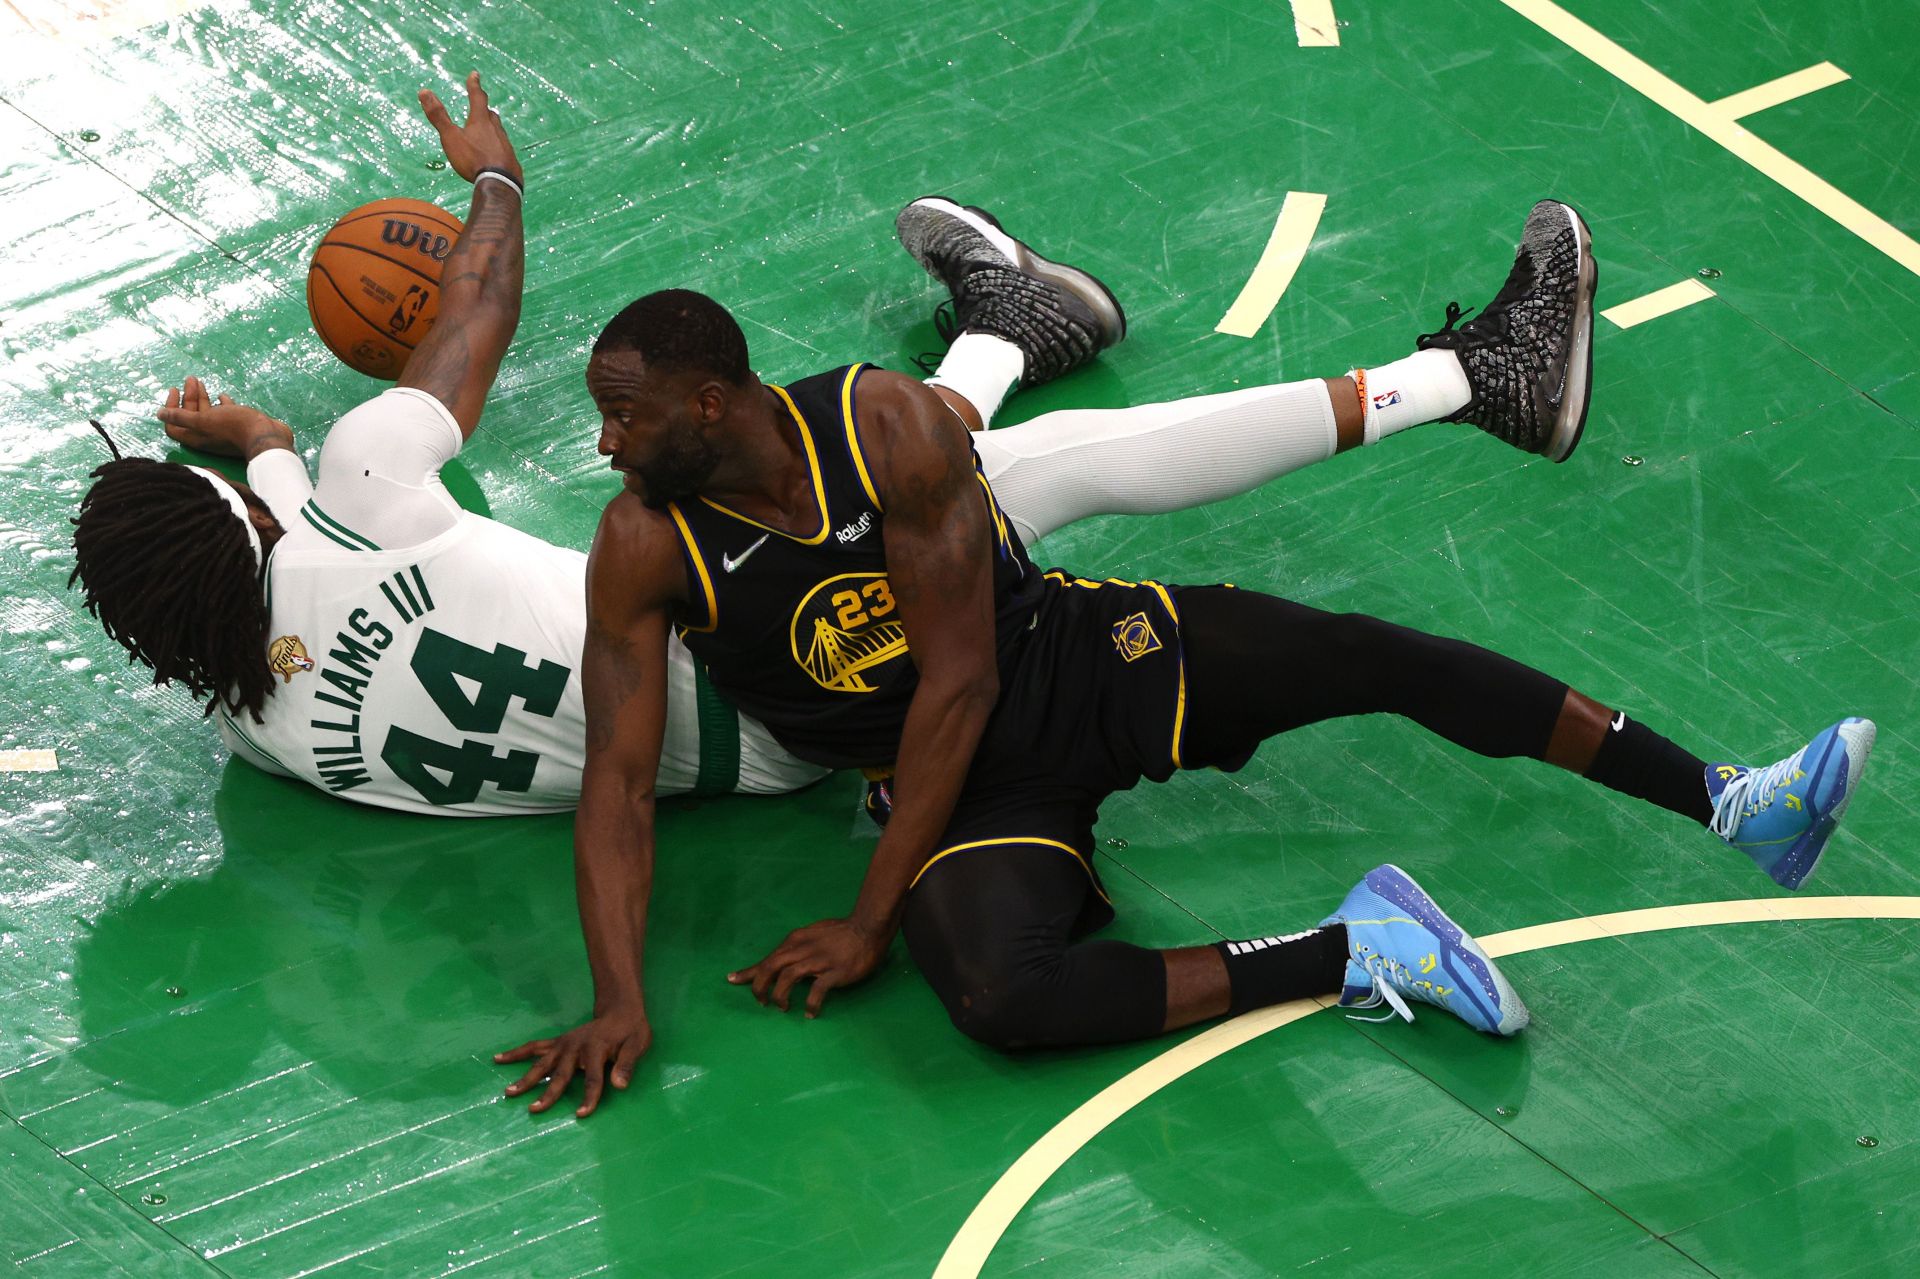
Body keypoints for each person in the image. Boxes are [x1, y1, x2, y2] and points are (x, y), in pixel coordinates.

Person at [498, 195, 1876, 1117]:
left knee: (1378, 656)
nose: (605, 448)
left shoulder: (882, 431)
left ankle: (1736, 802)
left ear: (710, 401)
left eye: (623, 418)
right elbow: (616, 786)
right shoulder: (644, 546)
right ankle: (1356, 946)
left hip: (1075, 662)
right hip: (971, 801)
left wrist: (865, 917)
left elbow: (967, 681)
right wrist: (617, 1000)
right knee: (995, 999)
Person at [71, 97, 1539, 820]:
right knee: (994, 476)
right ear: (251, 517)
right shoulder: (360, 485)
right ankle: (1473, 379)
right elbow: (469, 310)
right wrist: (494, 174)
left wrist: (256, 449)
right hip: (781, 666)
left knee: (924, 453)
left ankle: (1016, 325)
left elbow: (285, 566)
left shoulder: (244, 725)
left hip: (753, 764)